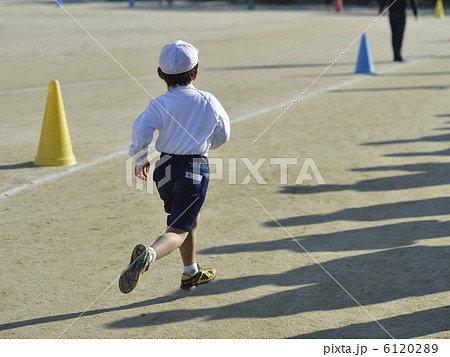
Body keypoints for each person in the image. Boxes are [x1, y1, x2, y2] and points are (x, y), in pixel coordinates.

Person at [119, 40, 230, 294]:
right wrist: (207, 144)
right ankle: (148, 255)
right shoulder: (208, 100)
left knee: (188, 219)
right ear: (196, 72)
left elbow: (140, 129)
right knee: (177, 230)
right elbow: (224, 134)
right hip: (193, 169)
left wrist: (140, 157)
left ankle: (190, 272)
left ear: (160, 73)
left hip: (165, 168)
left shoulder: (158, 103)